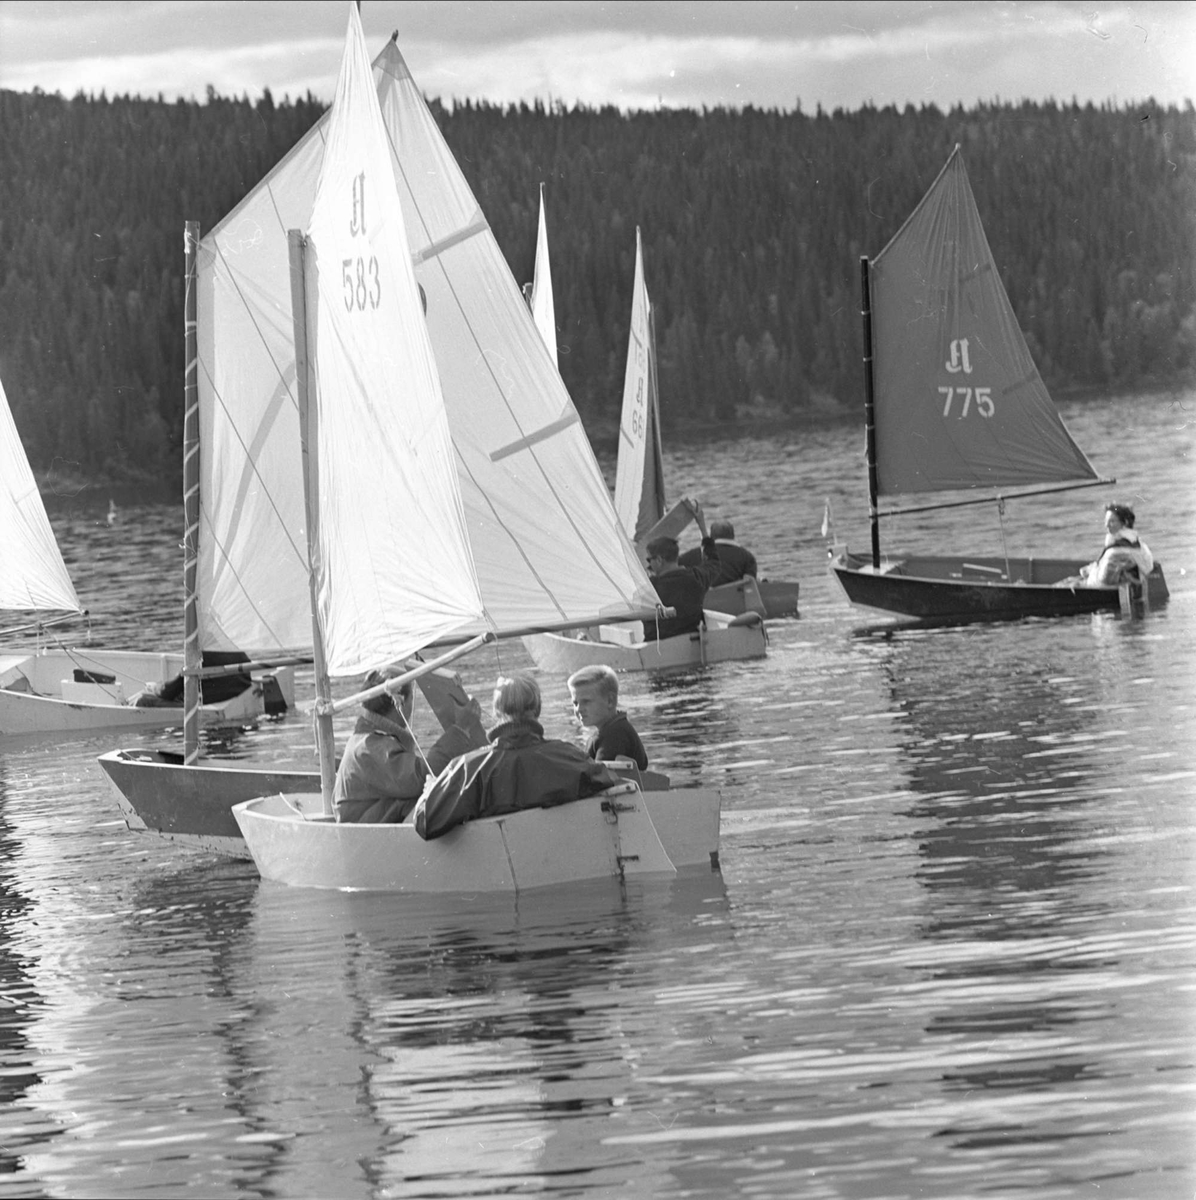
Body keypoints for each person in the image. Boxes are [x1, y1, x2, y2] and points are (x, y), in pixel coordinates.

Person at [414, 671, 618, 840]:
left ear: (496, 712)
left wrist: (430, 791)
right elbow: (610, 785)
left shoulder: (467, 768)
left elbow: (425, 823)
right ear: (537, 709)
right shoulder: (571, 757)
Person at [334, 666, 486, 824]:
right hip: (362, 835)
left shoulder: (370, 737)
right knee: (430, 797)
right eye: (412, 697)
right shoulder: (368, 747)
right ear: (400, 702)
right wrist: (460, 729)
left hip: (370, 825)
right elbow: (425, 775)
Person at [567, 664, 648, 770]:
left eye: (586, 701)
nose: (579, 709)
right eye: (575, 703)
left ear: (610, 701)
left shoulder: (615, 735)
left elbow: (599, 777)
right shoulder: (614, 728)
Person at [1057, 502, 1154, 589]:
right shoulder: (1137, 543)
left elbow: (1102, 582)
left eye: (1112, 521)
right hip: (1120, 581)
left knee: (1064, 584)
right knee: (1071, 580)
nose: (1106, 525)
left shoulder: (1116, 552)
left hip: (1104, 588)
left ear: (1124, 523)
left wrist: (1079, 582)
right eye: (1106, 521)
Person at [678, 518, 758, 586]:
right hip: (733, 599)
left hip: (703, 599)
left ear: (712, 536)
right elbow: (749, 583)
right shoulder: (747, 557)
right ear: (733, 535)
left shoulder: (692, 555)